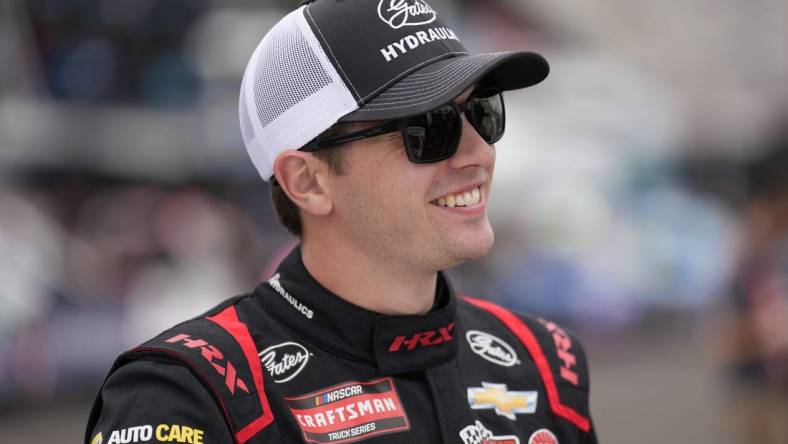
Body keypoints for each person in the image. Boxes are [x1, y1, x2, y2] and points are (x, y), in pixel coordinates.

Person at [85, 1, 598, 443]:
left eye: (482, 111)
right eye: (429, 127)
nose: (478, 151)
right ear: (307, 181)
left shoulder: (546, 362)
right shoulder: (189, 396)